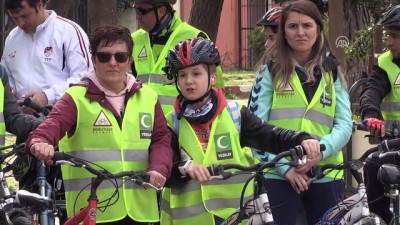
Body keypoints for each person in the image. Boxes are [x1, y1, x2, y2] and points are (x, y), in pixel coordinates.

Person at [159, 37, 322, 225]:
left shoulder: (235, 114)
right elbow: (166, 171)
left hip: (234, 217)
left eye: (196, 73)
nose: (189, 81)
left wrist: (302, 139)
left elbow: (270, 136)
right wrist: (184, 168)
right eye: (182, 75)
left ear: (213, 77)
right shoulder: (171, 122)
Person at [27, 24, 173, 225]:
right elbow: (52, 125)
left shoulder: (148, 97)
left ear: (130, 60)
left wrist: (158, 168)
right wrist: (40, 141)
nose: (113, 63)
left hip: (141, 210)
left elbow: (161, 139)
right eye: (104, 56)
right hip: (91, 211)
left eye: (120, 57)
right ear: (94, 60)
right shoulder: (76, 97)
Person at [247, 1, 353, 224]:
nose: (301, 32)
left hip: (326, 171)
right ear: (284, 32)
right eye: (293, 26)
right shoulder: (271, 70)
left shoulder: (331, 69)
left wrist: (320, 153)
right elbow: (255, 128)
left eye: (307, 25)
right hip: (279, 174)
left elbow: (344, 125)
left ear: (318, 29)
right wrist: (286, 169)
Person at [129, 0, 224, 115]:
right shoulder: (133, 40)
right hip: (145, 123)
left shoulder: (195, 37)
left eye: (142, 11)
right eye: (135, 10)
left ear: (161, 11)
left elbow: (216, 87)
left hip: (182, 124)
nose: (138, 16)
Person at [1, 0, 93, 114]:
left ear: (39, 6)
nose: (20, 23)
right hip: (20, 122)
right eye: (15, 18)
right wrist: (10, 93)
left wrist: (48, 96)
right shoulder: (12, 37)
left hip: (61, 119)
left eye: (25, 16)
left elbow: (86, 79)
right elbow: (6, 77)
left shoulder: (69, 31)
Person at [359, 5, 400, 224]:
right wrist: (371, 114)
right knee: (373, 164)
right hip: (395, 144)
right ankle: (382, 219)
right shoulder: (386, 63)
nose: (389, 42)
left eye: (395, 36)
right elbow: (372, 90)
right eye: (388, 36)